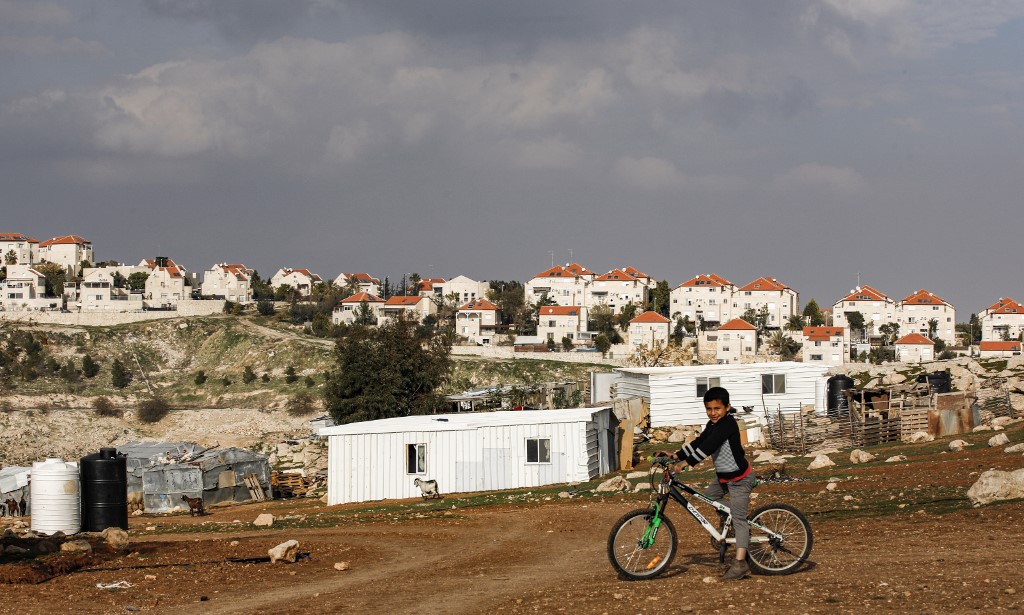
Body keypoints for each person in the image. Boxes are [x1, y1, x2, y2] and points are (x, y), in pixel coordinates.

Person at [671, 386, 754, 580]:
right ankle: (733, 515)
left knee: (740, 519)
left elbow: (708, 447)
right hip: (724, 476)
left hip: (740, 478)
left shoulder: (727, 425)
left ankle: (741, 564)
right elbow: (699, 442)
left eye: (717, 409)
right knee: (710, 497)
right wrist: (676, 455)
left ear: (727, 408)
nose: (713, 413)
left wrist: (686, 463)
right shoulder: (712, 425)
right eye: (709, 409)